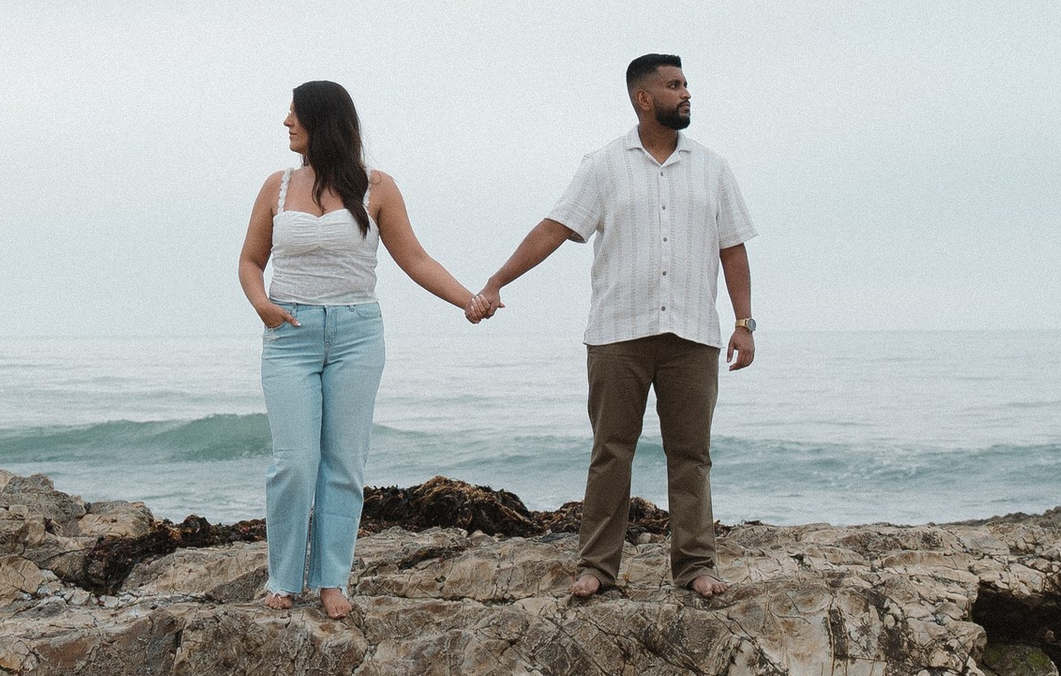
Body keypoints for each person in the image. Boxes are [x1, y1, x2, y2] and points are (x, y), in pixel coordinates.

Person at [473, 54, 754, 602]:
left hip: (693, 333)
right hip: (618, 333)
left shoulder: (714, 168)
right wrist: (498, 280)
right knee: (611, 452)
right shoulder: (603, 165)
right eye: (674, 85)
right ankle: (597, 567)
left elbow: (733, 248)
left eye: (686, 83)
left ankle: (696, 565)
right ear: (643, 99)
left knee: (691, 456)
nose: (686, 92)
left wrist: (744, 323)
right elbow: (555, 228)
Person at [237, 80, 488, 619]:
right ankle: (283, 578)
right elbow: (250, 261)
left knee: (344, 463)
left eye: (295, 113)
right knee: (294, 463)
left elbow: (415, 259)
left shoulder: (378, 187)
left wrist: (467, 299)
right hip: (290, 334)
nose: (286, 122)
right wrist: (262, 305)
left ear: (322, 121)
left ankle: (332, 580)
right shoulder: (277, 186)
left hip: (356, 334)